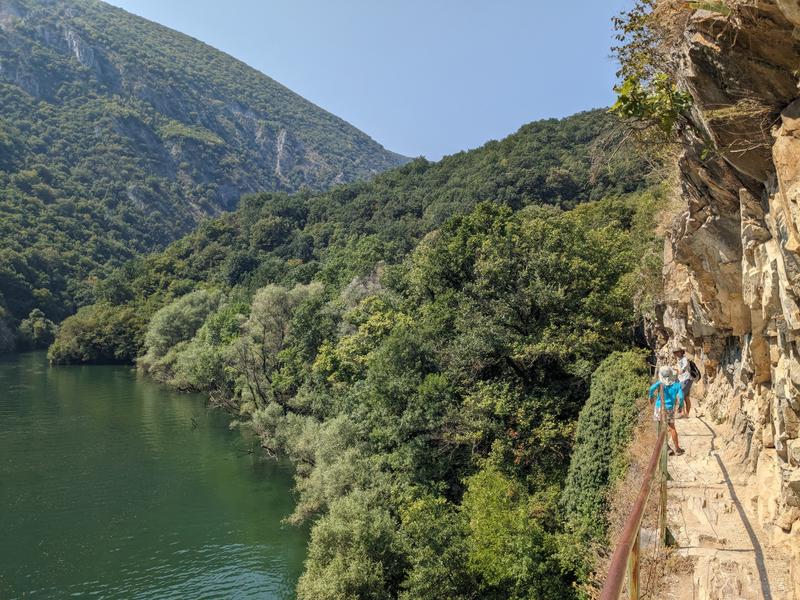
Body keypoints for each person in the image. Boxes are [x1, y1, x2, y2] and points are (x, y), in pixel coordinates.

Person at [648, 366, 685, 456]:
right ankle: (677, 449)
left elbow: (651, 389)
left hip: (659, 407)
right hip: (669, 409)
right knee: (672, 428)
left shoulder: (660, 383)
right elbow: (681, 397)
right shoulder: (677, 385)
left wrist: (651, 396)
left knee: (660, 428)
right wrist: (680, 407)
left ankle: (667, 448)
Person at [674, 348, 692, 416]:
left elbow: (685, 366)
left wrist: (682, 370)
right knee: (686, 397)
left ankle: (680, 412)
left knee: (680, 395)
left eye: (678, 352)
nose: (676, 354)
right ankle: (686, 414)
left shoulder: (684, 359)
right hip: (683, 379)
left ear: (681, 352)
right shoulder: (679, 360)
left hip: (686, 379)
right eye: (675, 353)